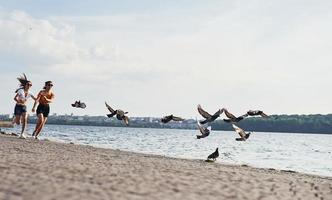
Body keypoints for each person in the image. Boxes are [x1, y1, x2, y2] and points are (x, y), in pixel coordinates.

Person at [13, 74, 36, 138]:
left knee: (25, 119)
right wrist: (18, 101)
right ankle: (15, 118)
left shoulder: (30, 93)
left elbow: (36, 99)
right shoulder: (20, 91)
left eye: (30, 85)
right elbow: (15, 98)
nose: (29, 86)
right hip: (18, 107)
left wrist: (34, 106)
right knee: (18, 123)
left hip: (24, 107)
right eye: (28, 84)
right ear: (25, 85)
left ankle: (22, 134)